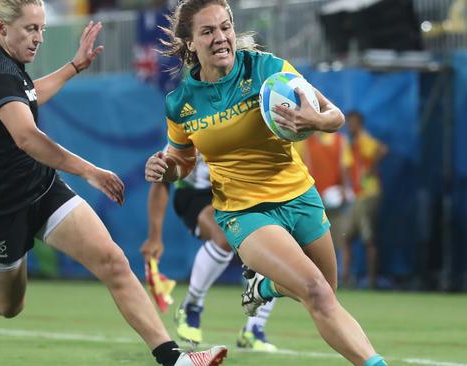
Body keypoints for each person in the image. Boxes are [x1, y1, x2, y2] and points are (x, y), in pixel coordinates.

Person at [0, 1, 227, 366]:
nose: (38, 38)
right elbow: (27, 138)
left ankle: (174, 359)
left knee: (113, 261)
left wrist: (74, 67)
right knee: (6, 305)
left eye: (42, 29)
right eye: (30, 29)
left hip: (41, 189)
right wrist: (89, 171)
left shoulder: (7, 68)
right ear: (2, 29)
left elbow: (28, 95)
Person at [143, 0, 388, 365]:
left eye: (225, 27)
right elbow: (181, 161)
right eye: (208, 31)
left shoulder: (268, 70)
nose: (221, 37)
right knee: (317, 292)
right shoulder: (180, 103)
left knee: (326, 293)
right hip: (245, 211)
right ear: (190, 43)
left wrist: (315, 122)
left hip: (300, 197)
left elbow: (333, 115)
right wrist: (166, 169)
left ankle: (265, 285)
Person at [140, 147, 277, 351]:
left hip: (240, 192)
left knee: (271, 247)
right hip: (197, 194)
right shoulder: (192, 126)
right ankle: (191, 306)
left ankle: (253, 329)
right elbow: (161, 180)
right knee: (223, 235)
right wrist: (154, 237)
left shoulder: (247, 123)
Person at [295, 131, 354, 282]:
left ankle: (344, 278)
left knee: (342, 239)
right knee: (309, 240)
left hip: (334, 199)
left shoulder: (341, 140)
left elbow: (345, 168)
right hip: (312, 199)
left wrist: (346, 190)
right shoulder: (304, 141)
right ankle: (309, 277)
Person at [343, 111, 388, 289]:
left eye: (353, 123)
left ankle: (370, 281)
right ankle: (345, 279)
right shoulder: (351, 143)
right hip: (357, 195)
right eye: (349, 123)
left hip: (369, 194)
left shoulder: (364, 139)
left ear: (360, 124)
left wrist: (370, 169)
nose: (350, 126)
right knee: (346, 238)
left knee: (368, 239)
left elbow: (383, 149)